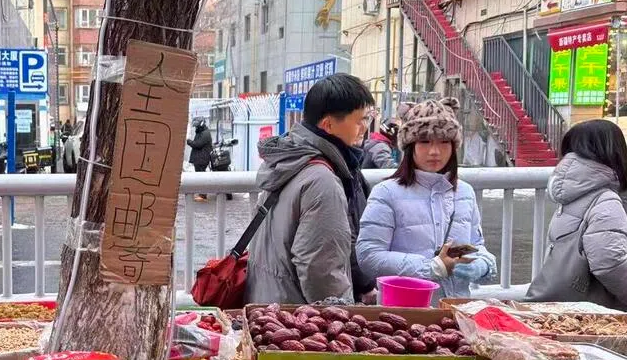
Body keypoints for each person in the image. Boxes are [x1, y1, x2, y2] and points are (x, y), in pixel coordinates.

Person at [245, 74, 376, 305]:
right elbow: (320, 269)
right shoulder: (321, 179)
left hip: (269, 302)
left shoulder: (289, 159)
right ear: (328, 124)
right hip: (296, 318)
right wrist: (342, 319)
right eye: (360, 120)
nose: (365, 128)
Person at [356, 97, 496, 303]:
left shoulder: (464, 192)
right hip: (403, 314)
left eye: (444, 141)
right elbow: (369, 255)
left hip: (455, 311)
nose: (435, 151)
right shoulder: (386, 193)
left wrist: (482, 264)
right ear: (410, 146)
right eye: (424, 141)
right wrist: (430, 267)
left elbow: (477, 244)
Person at [526, 120, 627, 310]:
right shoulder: (605, 200)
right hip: (601, 313)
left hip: (569, 307)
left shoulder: (575, 194)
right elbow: (609, 263)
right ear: (614, 152)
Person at [187, 118, 214, 202]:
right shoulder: (202, 132)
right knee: (200, 176)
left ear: (201, 124)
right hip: (200, 158)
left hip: (202, 158)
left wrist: (188, 141)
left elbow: (198, 144)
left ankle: (203, 195)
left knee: (201, 176)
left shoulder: (205, 133)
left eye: (197, 126)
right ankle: (201, 194)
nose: (196, 128)